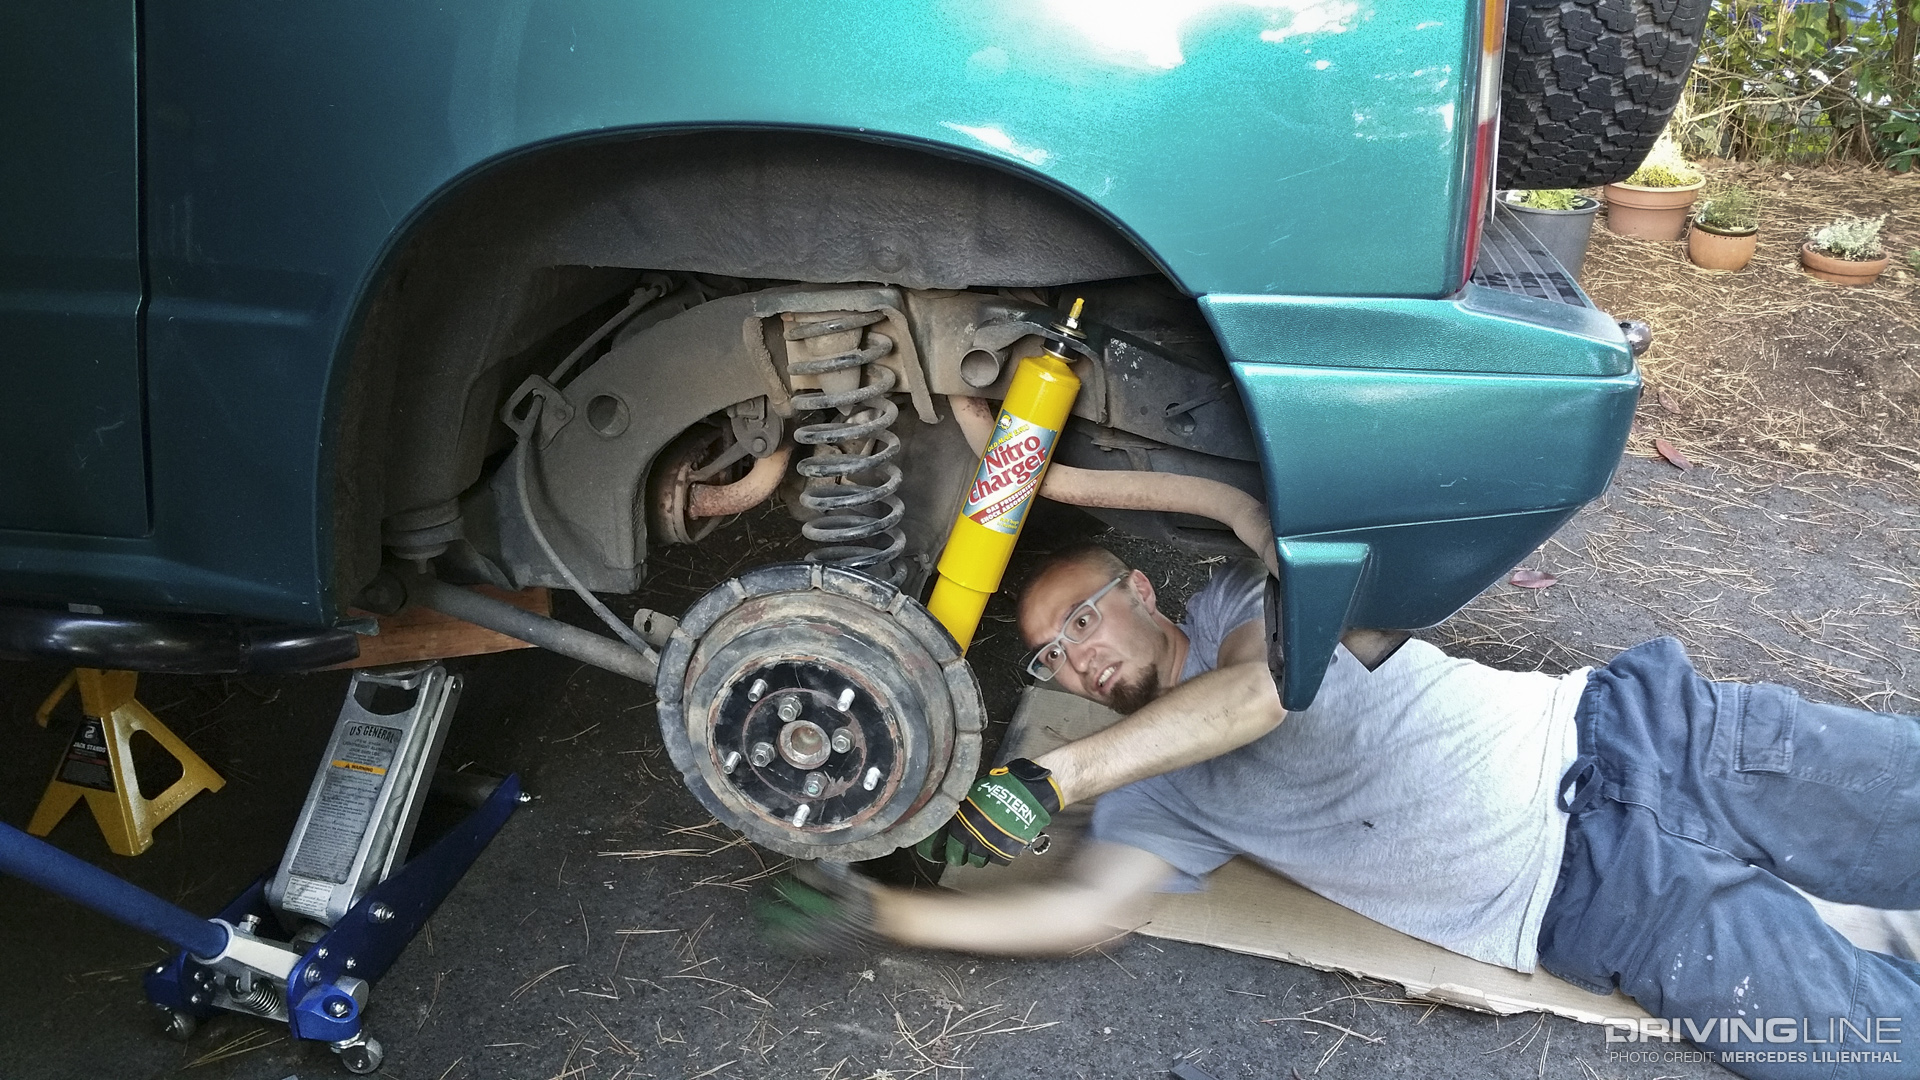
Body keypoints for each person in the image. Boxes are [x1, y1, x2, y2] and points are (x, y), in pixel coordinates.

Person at [759, 544, 1920, 1079]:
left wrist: (1056, 777)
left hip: (1649, 736)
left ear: (1144, 593)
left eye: (1086, 620)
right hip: (1609, 905)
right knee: (1872, 1052)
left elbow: (1261, 694)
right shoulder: (1155, 796)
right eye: (1053, 658)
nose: (1076, 659)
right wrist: (895, 920)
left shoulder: (1250, 602)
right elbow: (1087, 914)